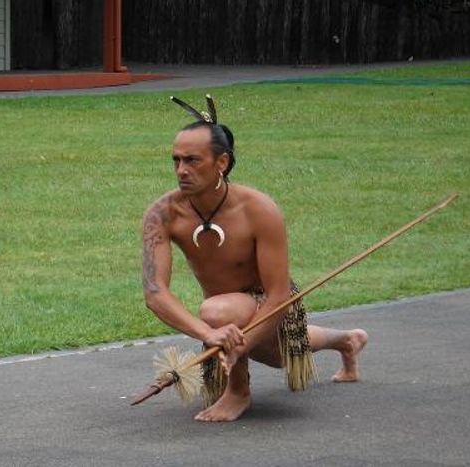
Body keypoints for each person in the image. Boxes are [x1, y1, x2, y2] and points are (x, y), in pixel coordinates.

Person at [141, 96, 368, 422]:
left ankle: (238, 392)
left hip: (272, 305)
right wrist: (208, 334)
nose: (181, 171)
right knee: (237, 326)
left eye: (192, 161)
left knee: (230, 320)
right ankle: (346, 340)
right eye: (176, 160)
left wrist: (233, 344)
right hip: (224, 316)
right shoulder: (161, 214)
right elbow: (155, 292)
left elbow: (278, 295)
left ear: (222, 163)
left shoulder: (259, 209)